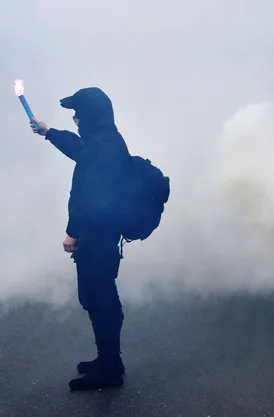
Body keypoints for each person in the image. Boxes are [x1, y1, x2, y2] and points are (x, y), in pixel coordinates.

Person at [31, 87, 130, 391]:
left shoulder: (103, 148)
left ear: (90, 115)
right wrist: (49, 133)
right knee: (101, 297)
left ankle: (110, 370)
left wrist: (73, 232)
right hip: (102, 233)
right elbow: (78, 149)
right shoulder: (104, 142)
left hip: (96, 236)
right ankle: (109, 360)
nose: (74, 118)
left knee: (98, 299)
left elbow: (90, 199)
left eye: (78, 112)